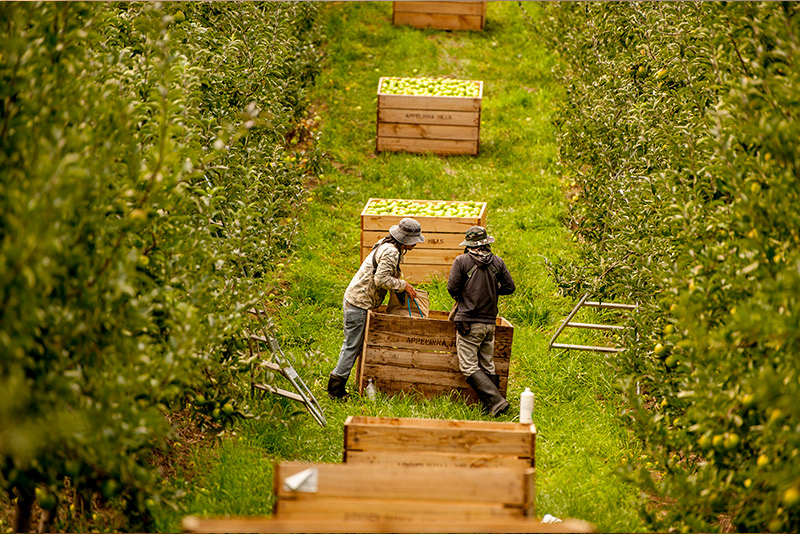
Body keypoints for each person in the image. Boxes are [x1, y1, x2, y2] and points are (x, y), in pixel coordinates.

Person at [327, 218, 425, 400]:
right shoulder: (391, 252)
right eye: (414, 241)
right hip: (359, 303)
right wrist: (403, 285)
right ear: (405, 240)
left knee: (355, 346)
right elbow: (381, 279)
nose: (415, 245)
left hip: (359, 301)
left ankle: (342, 385)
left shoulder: (387, 244)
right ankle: (335, 390)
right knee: (352, 346)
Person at [447, 226, 516, 416]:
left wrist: (466, 296)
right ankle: (492, 407)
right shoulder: (497, 262)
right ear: (486, 242)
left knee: (468, 366)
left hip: (469, 322)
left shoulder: (462, 261)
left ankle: (497, 402)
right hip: (490, 323)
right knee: (487, 364)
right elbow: (509, 287)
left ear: (468, 244)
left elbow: (452, 287)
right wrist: (492, 291)